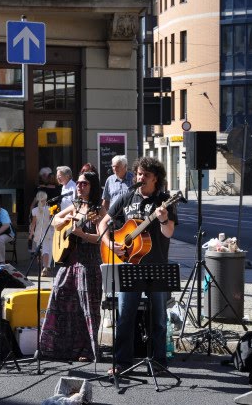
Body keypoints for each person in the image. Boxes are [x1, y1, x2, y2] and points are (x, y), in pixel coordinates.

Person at [97, 156, 177, 375]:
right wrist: (111, 244)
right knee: (124, 317)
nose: (141, 178)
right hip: (129, 265)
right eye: (139, 174)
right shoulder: (126, 197)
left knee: (158, 319)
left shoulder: (164, 200)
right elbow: (103, 223)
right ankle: (122, 363)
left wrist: (162, 219)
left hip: (156, 266)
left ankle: (159, 362)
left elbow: (169, 232)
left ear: (156, 179)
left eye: (146, 175)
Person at [39, 171, 106, 362]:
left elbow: (102, 238)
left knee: (87, 308)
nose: (80, 186)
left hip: (89, 264)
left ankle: (87, 349)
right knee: (59, 297)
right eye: (79, 184)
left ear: (92, 187)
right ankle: (57, 347)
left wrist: (82, 234)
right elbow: (55, 220)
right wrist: (68, 223)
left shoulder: (98, 210)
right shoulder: (75, 206)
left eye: (84, 184)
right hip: (69, 262)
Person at [29, 190, 54, 277]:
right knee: (47, 250)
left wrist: (31, 233)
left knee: (40, 250)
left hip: (38, 232)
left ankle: (42, 267)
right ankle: (45, 267)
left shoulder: (35, 210)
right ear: (46, 199)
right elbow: (52, 221)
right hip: (48, 231)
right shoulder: (50, 209)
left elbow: (33, 223)